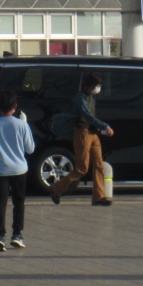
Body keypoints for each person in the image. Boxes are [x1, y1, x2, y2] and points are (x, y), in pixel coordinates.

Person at [0, 89, 36, 252]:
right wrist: (25, 124)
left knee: (0, 204)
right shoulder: (22, 124)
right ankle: (17, 234)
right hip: (19, 169)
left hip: (0, 170)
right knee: (19, 202)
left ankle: (0, 236)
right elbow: (30, 148)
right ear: (15, 106)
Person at [50, 72, 114, 207]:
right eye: (97, 85)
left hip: (93, 133)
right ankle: (57, 188)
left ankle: (99, 197)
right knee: (82, 168)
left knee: (99, 165)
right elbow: (88, 115)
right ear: (89, 85)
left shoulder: (92, 97)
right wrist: (104, 126)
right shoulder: (80, 98)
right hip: (82, 133)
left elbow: (92, 117)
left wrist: (98, 129)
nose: (98, 88)